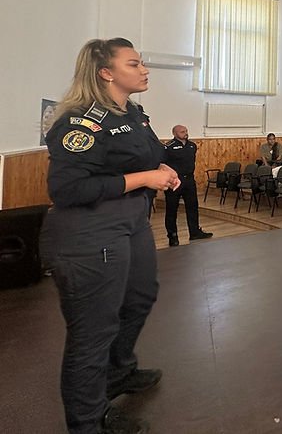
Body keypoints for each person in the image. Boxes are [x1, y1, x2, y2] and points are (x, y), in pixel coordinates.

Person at [40, 38, 179, 434]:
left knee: (139, 298)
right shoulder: (81, 121)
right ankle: (88, 421)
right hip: (89, 231)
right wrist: (144, 178)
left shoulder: (133, 113)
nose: (144, 69)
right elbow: (67, 189)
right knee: (92, 331)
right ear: (106, 73)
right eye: (133, 64)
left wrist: (160, 169)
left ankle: (118, 373)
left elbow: (141, 159)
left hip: (130, 221)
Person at [163, 125, 212, 247]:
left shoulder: (192, 145)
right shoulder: (168, 147)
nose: (185, 133)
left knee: (193, 207)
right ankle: (173, 236)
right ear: (174, 133)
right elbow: (163, 164)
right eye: (182, 132)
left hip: (189, 180)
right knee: (171, 209)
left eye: (186, 131)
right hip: (174, 181)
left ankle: (194, 232)